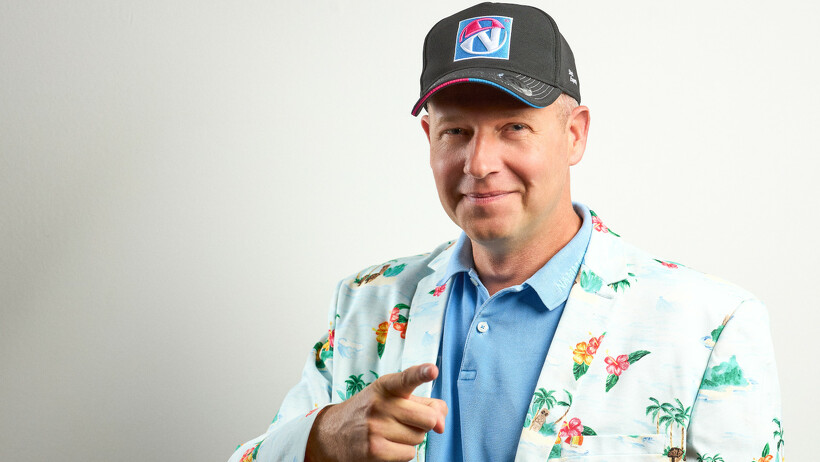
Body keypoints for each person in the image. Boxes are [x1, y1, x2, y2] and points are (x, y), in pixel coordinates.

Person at [228, 3, 783, 461]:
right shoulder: (366, 301)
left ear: (575, 135)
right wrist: (324, 438)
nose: (479, 163)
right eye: (456, 131)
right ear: (428, 138)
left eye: (515, 127)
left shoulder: (711, 325)